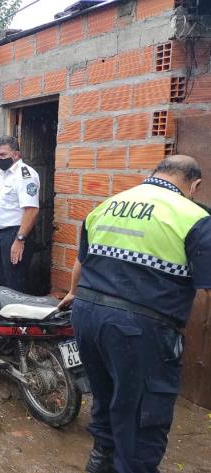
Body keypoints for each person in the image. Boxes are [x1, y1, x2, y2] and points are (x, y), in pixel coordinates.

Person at [58, 155, 211, 473]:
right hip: (139, 327)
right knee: (143, 416)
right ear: (194, 184)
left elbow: (81, 261)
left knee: (105, 396)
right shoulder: (195, 217)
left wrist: (72, 294)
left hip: (86, 314)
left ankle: (101, 461)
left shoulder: (108, 205)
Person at [0, 136, 40, 292]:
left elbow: (32, 210)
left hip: (16, 234)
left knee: (13, 285)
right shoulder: (3, 175)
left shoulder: (25, 175)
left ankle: (16, 311)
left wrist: (19, 240)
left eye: (3, 155)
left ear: (16, 154)